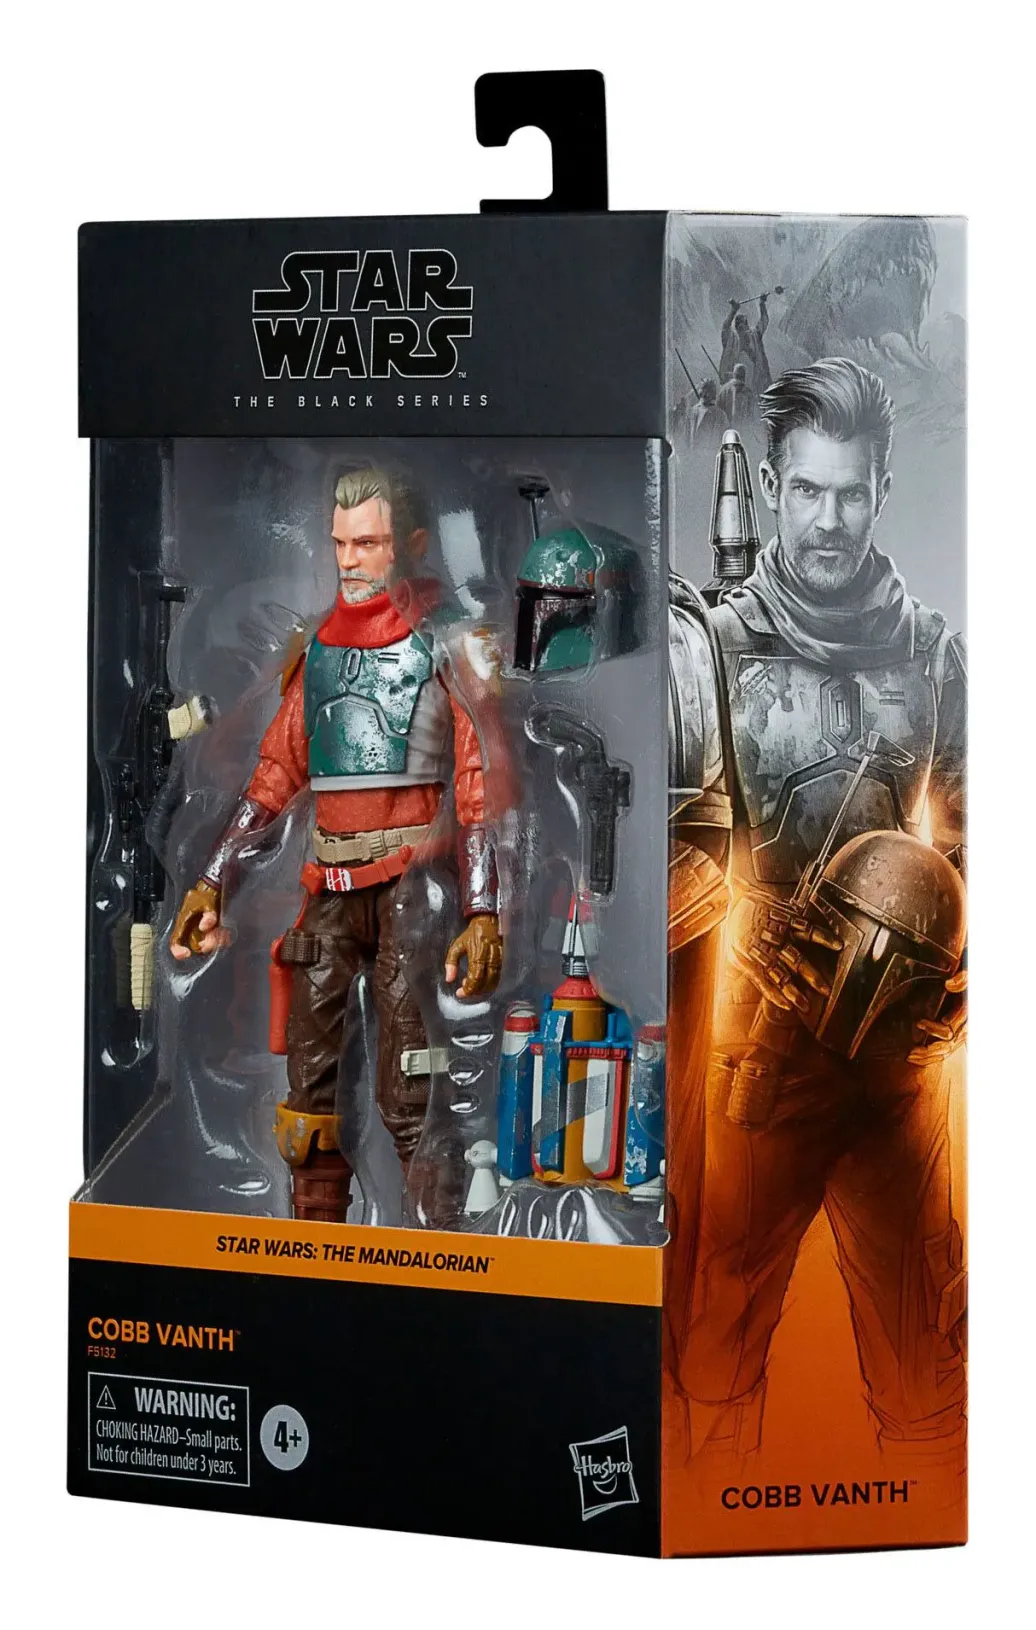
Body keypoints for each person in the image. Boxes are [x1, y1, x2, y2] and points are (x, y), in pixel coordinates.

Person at [668, 359, 967, 1476]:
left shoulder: (933, 655)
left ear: (882, 489)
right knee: (712, 1366)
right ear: (771, 489)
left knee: (928, 1373)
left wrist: (963, 985)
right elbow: (668, 855)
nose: (828, 519)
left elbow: (984, 841)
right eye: (806, 491)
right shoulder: (710, 647)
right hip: (757, 1060)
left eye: (849, 493)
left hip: (899, 1067)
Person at [170, 468, 503, 1226]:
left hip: (414, 890)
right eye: (341, 544)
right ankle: (312, 1257)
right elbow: (275, 776)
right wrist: (212, 881)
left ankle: (441, 1258)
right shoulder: (318, 649)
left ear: (410, 544)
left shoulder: (447, 646)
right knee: (308, 1097)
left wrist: (484, 912)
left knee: (414, 1092)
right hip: (329, 887)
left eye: (369, 544)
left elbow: (480, 782)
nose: (350, 560)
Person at [720, 293, 773, 392]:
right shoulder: (731, 340)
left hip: (757, 387)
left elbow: (764, 321)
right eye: (740, 327)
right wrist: (733, 311)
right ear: (737, 328)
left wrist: (762, 304)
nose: (743, 331)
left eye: (744, 326)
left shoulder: (755, 336)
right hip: (735, 390)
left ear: (747, 327)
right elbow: (725, 327)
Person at [716, 362, 755, 430]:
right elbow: (750, 414)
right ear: (744, 376)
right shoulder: (748, 392)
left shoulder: (723, 389)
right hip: (742, 429)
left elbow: (718, 410)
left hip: (726, 429)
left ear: (734, 374)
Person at [689, 377, 727, 444]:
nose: (705, 394)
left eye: (708, 391)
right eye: (703, 390)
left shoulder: (720, 415)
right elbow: (686, 435)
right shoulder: (693, 411)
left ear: (713, 393)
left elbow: (724, 437)